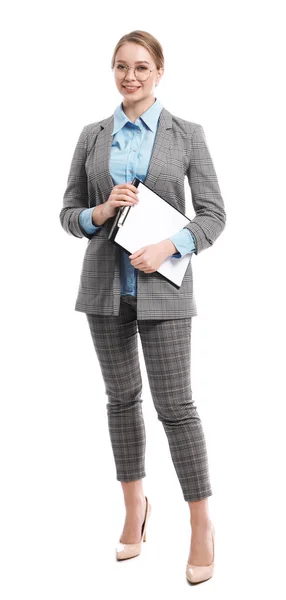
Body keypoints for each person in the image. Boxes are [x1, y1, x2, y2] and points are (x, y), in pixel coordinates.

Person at [59, 29, 226, 584]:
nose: (130, 76)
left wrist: (169, 246)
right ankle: (135, 508)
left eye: (141, 67)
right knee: (121, 401)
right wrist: (101, 211)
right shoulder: (93, 136)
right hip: (104, 292)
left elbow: (213, 214)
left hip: (166, 291)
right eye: (121, 67)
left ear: (159, 72)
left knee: (176, 407)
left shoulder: (187, 135)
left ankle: (201, 524)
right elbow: (68, 214)